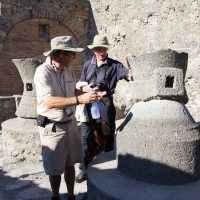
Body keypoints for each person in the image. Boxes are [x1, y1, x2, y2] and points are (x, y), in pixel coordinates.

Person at [34, 36, 106, 200]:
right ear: (61, 54)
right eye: (72, 53)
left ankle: (71, 195)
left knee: (70, 162)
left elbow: (72, 90)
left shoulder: (68, 70)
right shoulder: (42, 72)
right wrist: (79, 100)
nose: (75, 56)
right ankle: (55, 196)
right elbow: (49, 101)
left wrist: (89, 95)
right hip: (53, 127)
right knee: (55, 168)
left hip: (71, 124)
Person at [75, 35, 133, 183]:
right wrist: (86, 87)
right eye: (98, 49)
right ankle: (84, 167)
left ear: (107, 49)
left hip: (106, 104)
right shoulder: (88, 64)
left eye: (104, 48)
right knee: (85, 134)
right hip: (89, 103)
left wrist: (132, 62)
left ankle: (108, 166)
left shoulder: (114, 65)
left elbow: (130, 76)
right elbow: (81, 83)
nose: (101, 51)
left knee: (107, 133)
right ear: (94, 50)